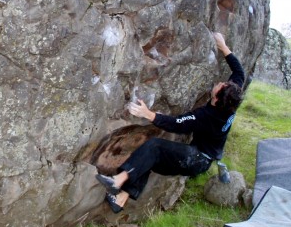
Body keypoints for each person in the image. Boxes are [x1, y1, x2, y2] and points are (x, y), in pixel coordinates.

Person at [96, 32, 245, 213]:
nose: (221, 82)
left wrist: (148, 114)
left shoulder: (207, 115)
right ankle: (120, 199)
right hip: (202, 157)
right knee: (147, 158)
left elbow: (178, 123)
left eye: (220, 85)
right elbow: (239, 72)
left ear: (215, 98)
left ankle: (118, 181)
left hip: (196, 159)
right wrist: (222, 46)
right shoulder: (231, 98)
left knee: (155, 147)